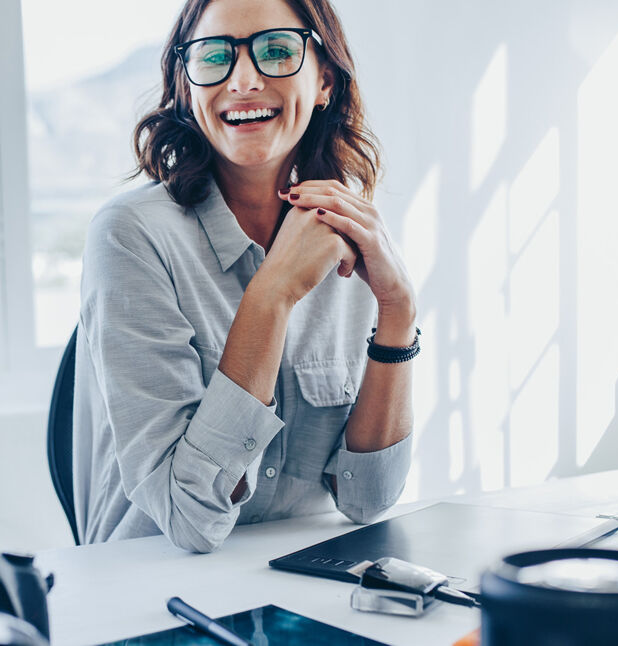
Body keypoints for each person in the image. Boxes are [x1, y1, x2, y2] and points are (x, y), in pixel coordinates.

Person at [72, 0, 418, 553]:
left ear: (325, 79)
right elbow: (190, 519)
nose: (244, 80)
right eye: (214, 57)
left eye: (277, 50)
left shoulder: (345, 233)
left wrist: (398, 312)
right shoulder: (129, 235)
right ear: (188, 87)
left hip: (300, 582)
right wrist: (273, 293)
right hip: (151, 595)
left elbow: (368, 500)